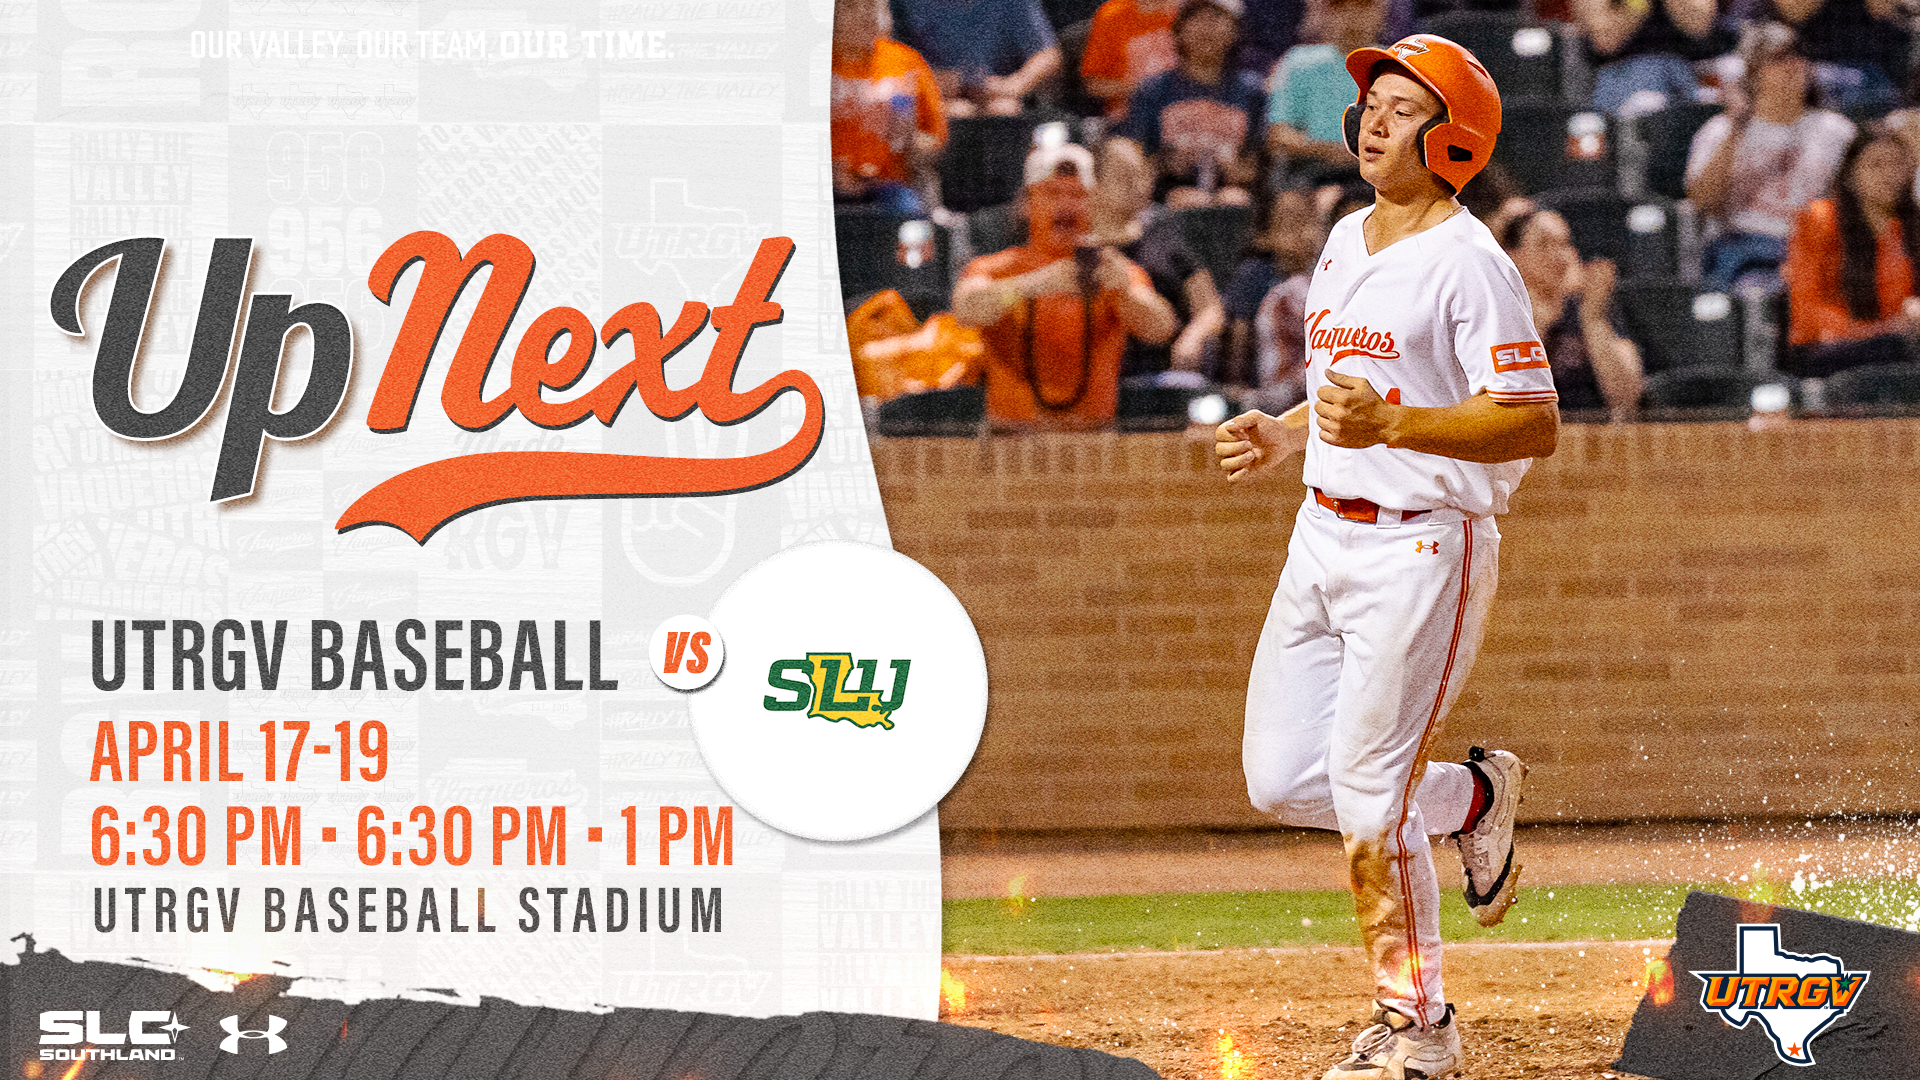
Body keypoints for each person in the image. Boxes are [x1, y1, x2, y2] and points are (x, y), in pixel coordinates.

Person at [1213, 35, 1556, 1080]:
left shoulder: (1470, 260)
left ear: (1453, 140)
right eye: (1373, 100)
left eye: (1405, 107)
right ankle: (1474, 801)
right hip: (1320, 531)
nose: (1371, 118)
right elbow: (1345, 389)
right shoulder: (1347, 233)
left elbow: (1533, 422)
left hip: (1421, 548)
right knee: (1278, 778)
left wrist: (1395, 427)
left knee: (1367, 793)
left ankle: (1420, 1029)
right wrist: (1287, 429)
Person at [953, 143, 1178, 430]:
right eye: (1052, 193)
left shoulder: (1112, 270)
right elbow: (966, 309)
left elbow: (1160, 330)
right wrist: (1035, 284)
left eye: (1077, 195)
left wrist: (1125, 293)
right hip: (1011, 440)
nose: (1066, 205)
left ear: (1094, 203)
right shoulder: (996, 268)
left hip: (1093, 439)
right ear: (1026, 204)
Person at [1686, 22, 1853, 293]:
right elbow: (1702, 204)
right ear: (1751, 73)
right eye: (1778, 58)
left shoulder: (1836, 130)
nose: (1793, 65)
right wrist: (1736, 130)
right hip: (1743, 247)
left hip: (1813, 247)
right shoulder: (1720, 131)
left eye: (1798, 55)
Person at [1782, 125, 1920, 377]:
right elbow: (1807, 312)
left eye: (1897, 164)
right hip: (1826, 349)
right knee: (1895, 348)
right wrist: (1880, 330)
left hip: (1899, 345)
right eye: (1875, 165)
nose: (1889, 174)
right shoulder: (1819, 220)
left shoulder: (1912, 227)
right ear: (1851, 175)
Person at [1088, 138, 1228, 377]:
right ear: (1094, 184)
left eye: (1142, 175)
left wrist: (1192, 337)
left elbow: (1210, 308)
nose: (1139, 186)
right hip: (1094, 372)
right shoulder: (1077, 247)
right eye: (1125, 177)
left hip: (1162, 372)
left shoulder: (1166, 233)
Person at [1115, 0, 1267, 207]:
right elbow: (1139, 155)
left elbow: (1258, 162)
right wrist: (1167, 163)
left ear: (1234, 30)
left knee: (1233, 199)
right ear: (1178, 30)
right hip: (1166, 198)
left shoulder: (1251, 91)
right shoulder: (1154, 90)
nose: (1206, 28)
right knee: (1187, 201)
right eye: (1195, 19)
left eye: (1215, 19)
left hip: (1234, 196)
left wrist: (1238, 171)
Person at [1499, 208, 1645, 418]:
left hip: (1593, 439)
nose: (1559, 255)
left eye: (1565, 244)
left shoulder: (1590, 306)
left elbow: (1626, 399)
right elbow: (1513, 393)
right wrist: (1538, 322)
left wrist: (1593, 318)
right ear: (1512, 255)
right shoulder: (1502, 311)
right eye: (1543, 244)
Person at [831, 0, 948, 216]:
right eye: (851, 7)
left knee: (909, 210)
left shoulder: (906, 61)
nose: (866, 16)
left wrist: (911, 143)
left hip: (891, 186)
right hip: (825, 185)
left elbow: (935, 139)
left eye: (873, 7)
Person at [1266, 0, 1386, 183]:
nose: (1352, 17)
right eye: (1340, 8)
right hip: (1309, 167)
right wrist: (1326, 150)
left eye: (1363, 7)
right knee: (1290, 204)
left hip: (1374, 171)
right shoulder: (1297, 61)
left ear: (1381, 12)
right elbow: (1278, 133)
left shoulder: (1394, 66)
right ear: (1325, 14)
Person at [889, 0, 1062, 116]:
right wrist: (934, 83)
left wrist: (1011, 85)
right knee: (955, 112)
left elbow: (1047, 55)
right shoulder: (904, 4)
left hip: (998, 99)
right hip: (929, 99)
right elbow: (887, 55)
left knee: (1003, 109)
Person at [1571, 0, 1717, 116]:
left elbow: (1700, 27)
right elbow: (1605, 42)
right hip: (1622, 76)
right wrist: (1637, 5)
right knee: (1646, 72)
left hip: (1681, 72)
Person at [1080, 0, 1181, 116]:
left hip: (1188, 108)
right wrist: (1144, 89)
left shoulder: (1192, 9)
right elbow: (1095, 84)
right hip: (1131, 116)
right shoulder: (1112, 14)